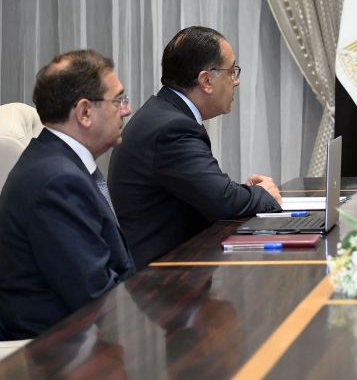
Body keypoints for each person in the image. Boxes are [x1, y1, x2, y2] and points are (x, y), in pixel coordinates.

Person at [108, 26, 282, 269]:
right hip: (162, 277)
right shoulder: (172, 128)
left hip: (174, 264)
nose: (237, 81)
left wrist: (244, 193)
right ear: (206, 81)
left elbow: (208, 192)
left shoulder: (165, 114)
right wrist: (264, 195)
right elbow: (222, 201)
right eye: (232, 71)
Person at [0, 50, 135, 339]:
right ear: (85, 112)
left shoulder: (57, 163)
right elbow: (96, 297)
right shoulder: (57, 181)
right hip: (55, 349)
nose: (127, 110)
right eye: (118, 101)